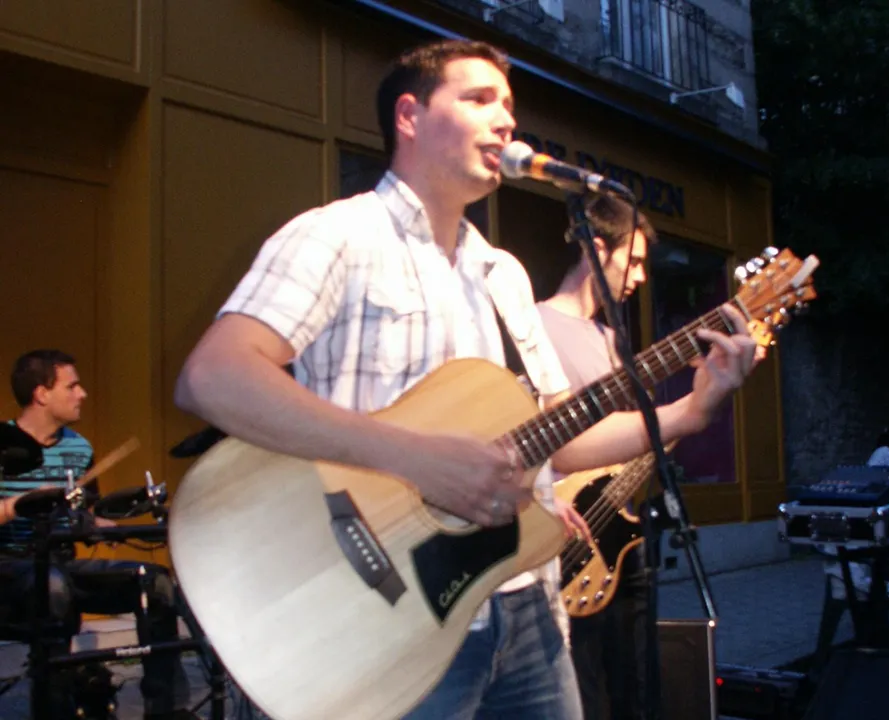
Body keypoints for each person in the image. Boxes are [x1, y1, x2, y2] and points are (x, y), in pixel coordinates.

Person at [174, 38, 757, 719]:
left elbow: (562, 436)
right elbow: (213, 377)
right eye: (479, 99)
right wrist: (413, 457)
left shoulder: (503, 275)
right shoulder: (338, 235)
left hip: (527, 610)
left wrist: (691, 410)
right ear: (410, 117)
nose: (506, 120)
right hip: (395, 625)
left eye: (508, 105)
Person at [538, 195, 758, 718]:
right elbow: (536, 439)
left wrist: (701, 401)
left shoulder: (611, 339)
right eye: (633, 260)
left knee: (636, 693)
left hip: (621, 535)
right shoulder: (534, 326)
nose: (640, 276)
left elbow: (632, 439)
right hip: (566, 538)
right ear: (596, 250)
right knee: (586, 695)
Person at [0, 349, 192, 719]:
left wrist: (110, 525)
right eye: (72, 386)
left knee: (154, 581)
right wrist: (19, 505)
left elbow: (85, 517)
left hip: (61, 563)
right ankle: (55, 707)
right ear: (42, 394)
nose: (83, 393)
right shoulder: (3, 445)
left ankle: (165, 708)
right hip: (9, 568)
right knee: (52, 585)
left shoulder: (79, 448)